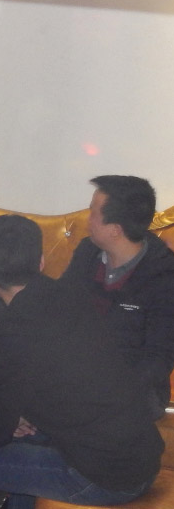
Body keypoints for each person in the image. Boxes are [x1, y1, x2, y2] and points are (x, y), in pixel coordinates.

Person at [0, 215, 163, 509]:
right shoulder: (66, 294)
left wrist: (5, 419)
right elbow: (14, 338)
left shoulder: (16, 335)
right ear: (41, 262)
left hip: (102, 478)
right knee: (30, 437)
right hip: (139, 457)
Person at [60, 175, 174, 420]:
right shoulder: (87, 252)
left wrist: (104, 389)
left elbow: (158, 359)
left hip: (133, 392)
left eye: (93, 212)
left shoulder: (164, 275)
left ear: (115, 230)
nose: (88, 219)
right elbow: (59, 310)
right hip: (77, 381)